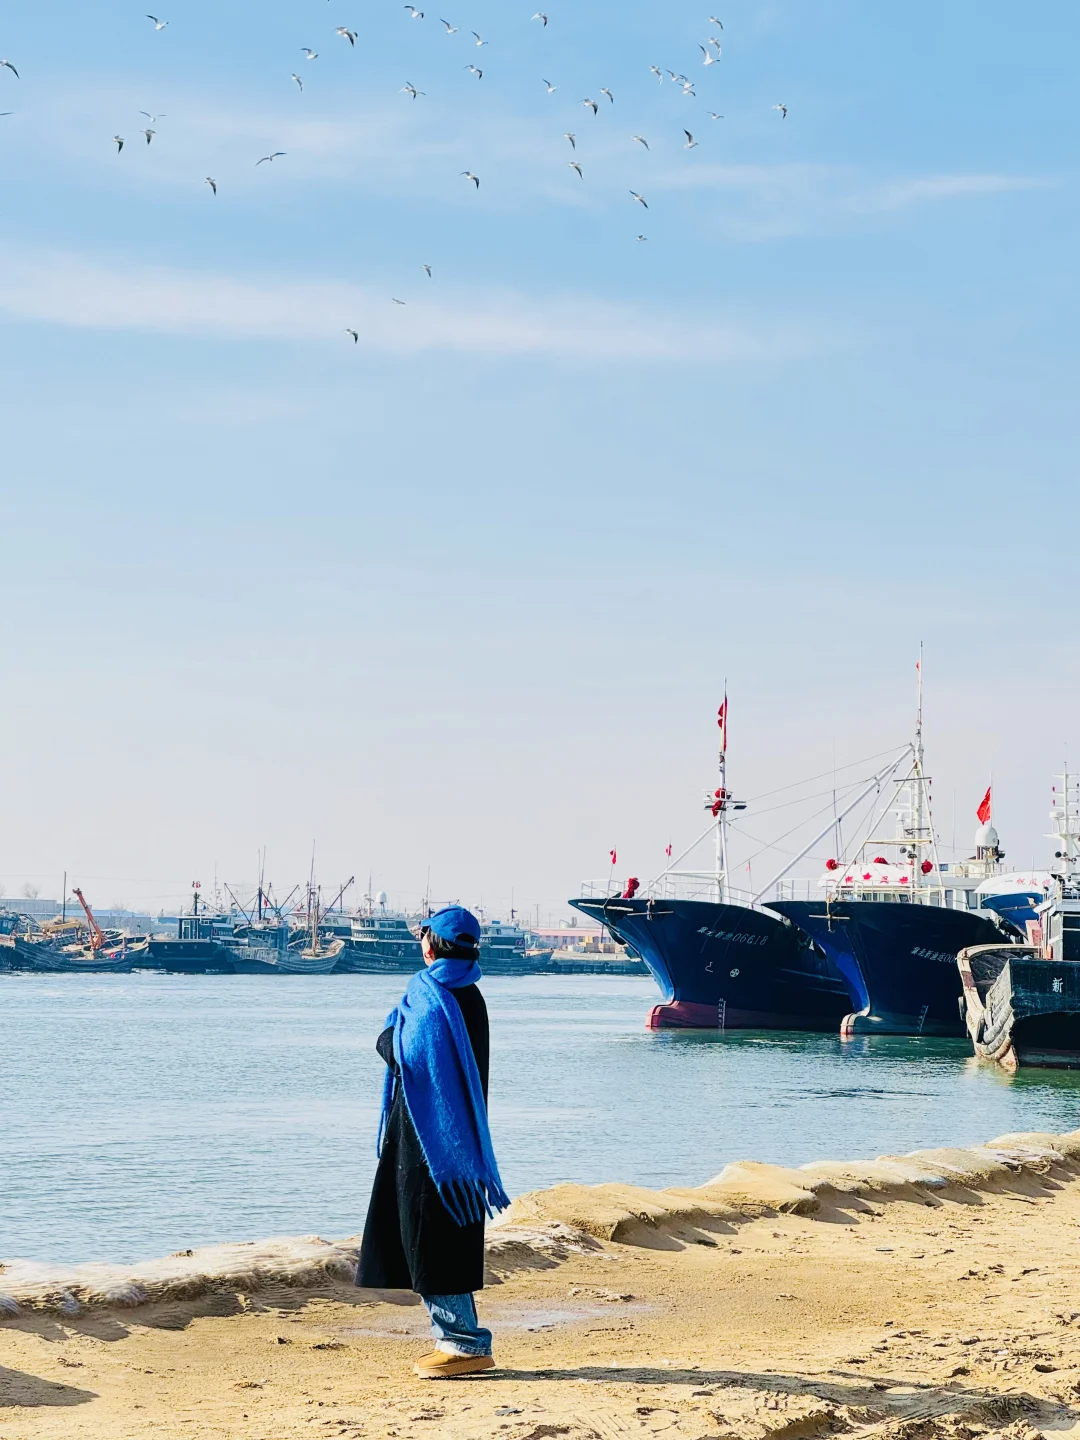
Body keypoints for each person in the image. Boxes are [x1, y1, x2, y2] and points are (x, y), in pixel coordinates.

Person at [357, 904, 510, 1378]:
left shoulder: (434, 997)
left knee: (432, 1243)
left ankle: (463, 1344)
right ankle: (460, 1338)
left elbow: (407, 1055)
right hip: (452, 1140)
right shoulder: (468, 994)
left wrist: (387, 1038)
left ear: (432, 946)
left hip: (432, 1145)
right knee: (437, 1242)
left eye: (423, 937)